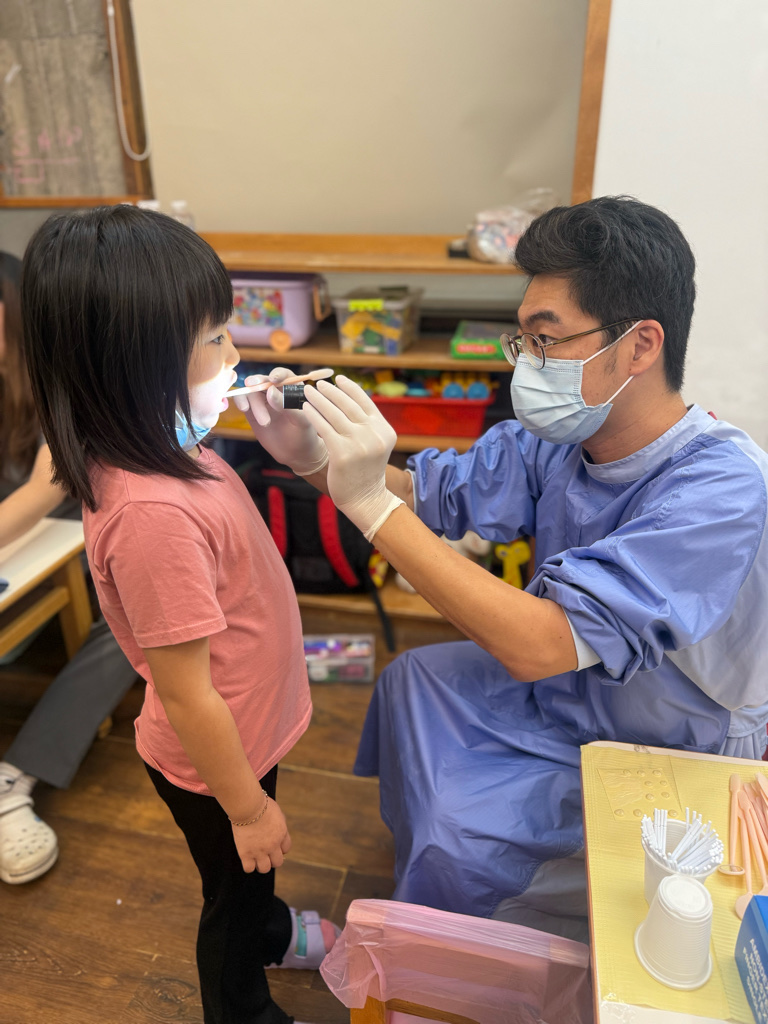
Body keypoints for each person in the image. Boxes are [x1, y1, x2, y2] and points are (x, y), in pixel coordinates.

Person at [238, 196, 768, 942]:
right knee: (412, 679)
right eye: (523, 342)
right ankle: (429, 884)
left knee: (459, 840)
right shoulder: (561, 441)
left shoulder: (721, 489)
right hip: (573, 694)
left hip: (670, 745)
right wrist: (313, 459)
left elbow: (539, 644)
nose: (527, 365)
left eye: (545, 340)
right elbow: (427, 493)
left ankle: (446, 940)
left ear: (640, 345)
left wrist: (367, 503)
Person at [21, 206, 339, 1024]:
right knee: (234, 886)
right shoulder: (150, 514)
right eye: (216, 340)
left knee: (251, 874)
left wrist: (285, 445)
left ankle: (270, 926)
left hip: (246, 731)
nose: (235, 359)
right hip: (216, 757)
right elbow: (188, 692)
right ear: (133, 366)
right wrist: (247, 808)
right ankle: (245, 1004)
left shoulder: (167, 447)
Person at [0, 250, 139, 886]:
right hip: (22, 553)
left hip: (80, 549)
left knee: (132, 616)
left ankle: (16, 778)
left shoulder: (68, 386)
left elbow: (47, 489)